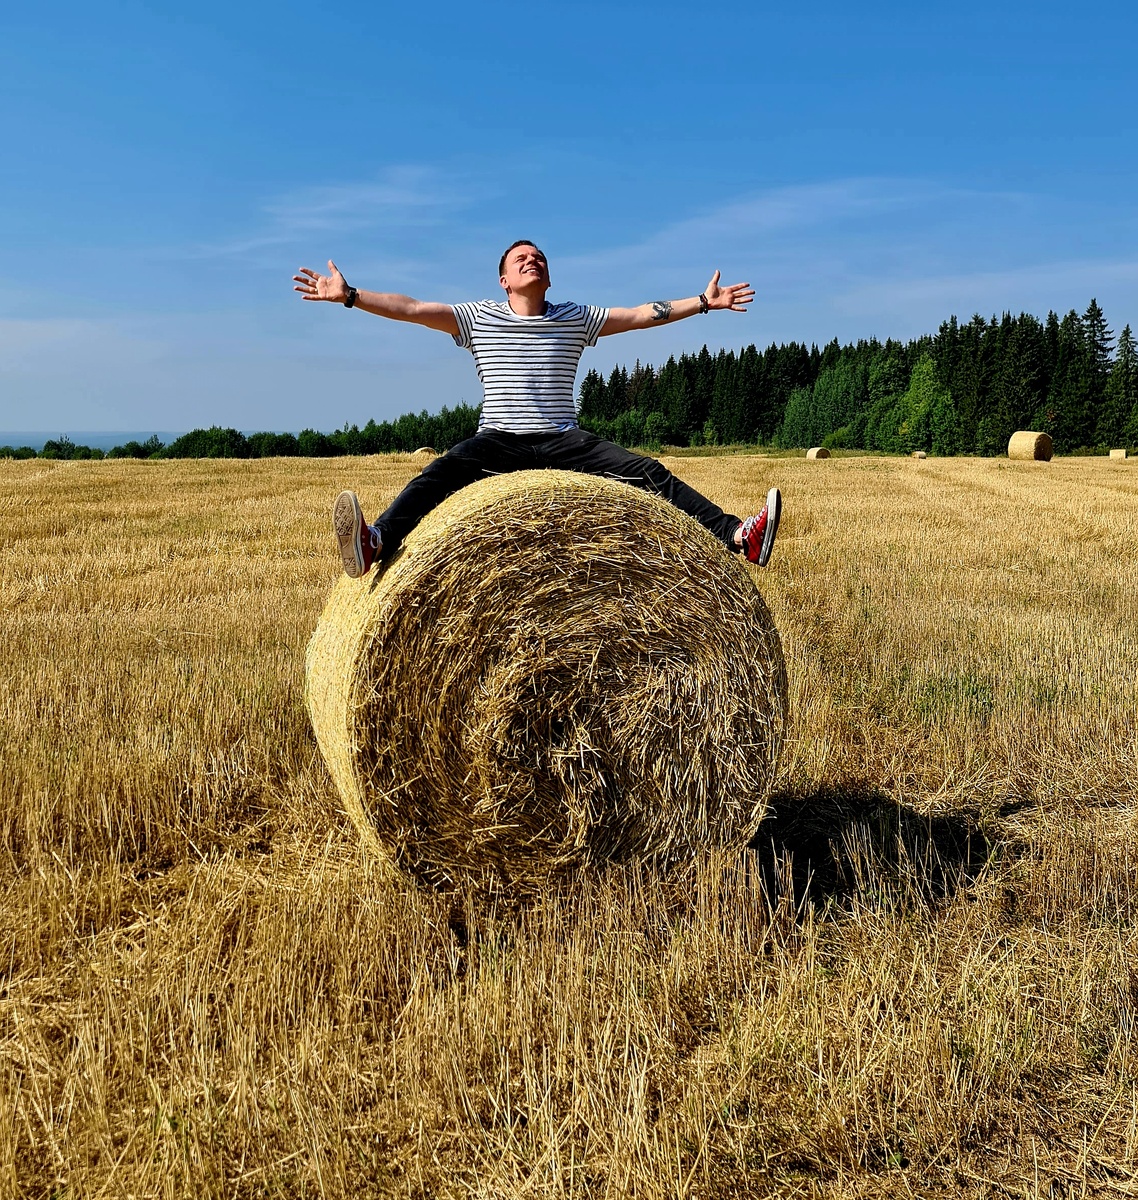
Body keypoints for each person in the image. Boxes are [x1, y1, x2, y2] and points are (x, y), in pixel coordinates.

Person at [292, 240, 781, 578]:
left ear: (548, 276)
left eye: (540, 257)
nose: (533, 260)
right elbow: (413, 308)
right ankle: (375, 542)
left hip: (564, 440)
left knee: (647, 471)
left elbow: (637, 315)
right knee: (436, 476)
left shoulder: (574, 317)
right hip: (499, 439)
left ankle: (738, 536)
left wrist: (701, 301)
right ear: (504, 279)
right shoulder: (475, 317)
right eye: (522, 258)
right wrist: (351, 296)